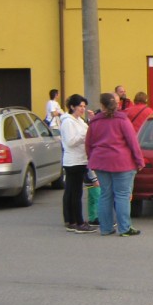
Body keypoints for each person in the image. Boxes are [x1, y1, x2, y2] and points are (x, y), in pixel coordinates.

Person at [85, 92, 145, 236]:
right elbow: (133, 142)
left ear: (102, 105)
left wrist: (92, 158)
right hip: (122, 162)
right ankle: (124, 228)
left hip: (101, 161)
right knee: (122, 195)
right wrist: (139, 160)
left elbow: (88, 144)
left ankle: (106, 228)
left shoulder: (94, 122)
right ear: (116, 104)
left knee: (105, 194)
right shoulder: (122, 120)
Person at [60, 94, 95, 233]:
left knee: (71, 191)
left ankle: (71, 220)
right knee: (75, 192)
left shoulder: (80, 121)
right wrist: (84, 135)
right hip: (74, 161)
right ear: (72, 106)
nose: (82, 109)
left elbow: (88, 131)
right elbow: (70, 141)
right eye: (80, 106)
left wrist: (90, 122)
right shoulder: (68, 122)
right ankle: (78, 222)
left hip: (80, 159)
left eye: (84, 106)